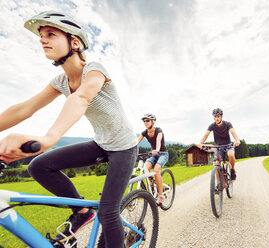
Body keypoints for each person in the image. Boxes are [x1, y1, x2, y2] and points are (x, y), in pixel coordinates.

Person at [0, 11, 137, 247]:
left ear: (75, 42)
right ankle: (82, 210)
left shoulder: (94, 70)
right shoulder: (60, 82)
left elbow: (82, 98)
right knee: (40, 166)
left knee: (108, 213)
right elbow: (25, 108)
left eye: (50, 34)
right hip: (102, 142)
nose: (42, 40)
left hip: (124, 147)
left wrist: (49, 137)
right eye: (41, 36)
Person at [198, 108, 240, 179]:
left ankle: (232, 170)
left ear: (221, 116)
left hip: (228, 145)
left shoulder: (227, 124)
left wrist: (237, 140)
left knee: (231, 155)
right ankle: (218, 185)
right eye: (215, 116)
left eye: (218, 116)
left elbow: (233, 132)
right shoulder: (212, 126)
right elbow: (206, 134)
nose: (217, 118)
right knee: (216, 164)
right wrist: (201, 143)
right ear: (213, 117)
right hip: (218, 146)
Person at [137, 113, 169, 205]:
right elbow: (137, 141)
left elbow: (158, 140)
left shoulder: (158, 130)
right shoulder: (145, 132)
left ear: (153, 121)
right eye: (144, 121)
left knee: (156, 170)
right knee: (145, 169)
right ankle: (153, 183)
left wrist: (157, 150)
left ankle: (160, 195)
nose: (145, 122)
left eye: (147, 120)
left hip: (162, 154)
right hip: (153, 155)